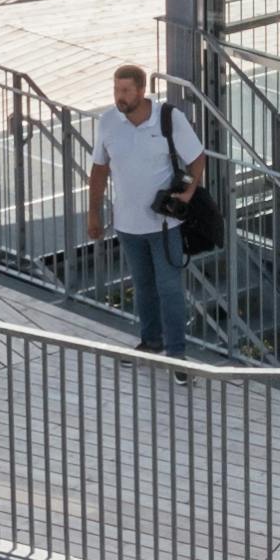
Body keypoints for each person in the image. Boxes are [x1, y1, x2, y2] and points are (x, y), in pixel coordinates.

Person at [85, 62, 206, 357]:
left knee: (170, 290)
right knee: (143, 288)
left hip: (165, 225)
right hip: (127, 225)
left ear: (141, 90)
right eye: (116, 89)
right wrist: (94, 214)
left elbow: (197, 157)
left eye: (125, 90)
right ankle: (150, 341)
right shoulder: (108, 121)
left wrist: (188, 194)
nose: (119, 96)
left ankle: (177, 353)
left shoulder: (169, 118)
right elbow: (99, 169)